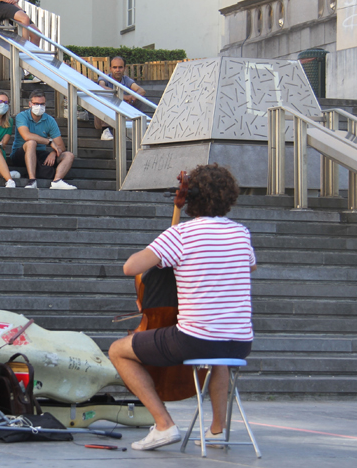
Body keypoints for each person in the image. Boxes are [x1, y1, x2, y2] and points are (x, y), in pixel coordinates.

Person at [109, 164, 256, 451]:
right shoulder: (241, 234)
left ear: (192, 198)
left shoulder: (182, 235)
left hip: (194, 340)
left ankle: (163, 425)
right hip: (239, 343)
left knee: (118, 350)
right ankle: (216, 430)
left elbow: (131, 267)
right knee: (218, 358)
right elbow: (249, 264)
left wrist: (166, 252)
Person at [9, 90, 76, 189]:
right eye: (36, 104)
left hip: (40, 154)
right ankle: (32, 180)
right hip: (20, 153)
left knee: (69, 155)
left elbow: (61, 146)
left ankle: (57, 181)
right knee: (31, 143)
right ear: (30, 104)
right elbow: (26, 136)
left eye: (42, 104)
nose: (39, 107)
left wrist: (53, 153)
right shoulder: (22, 116)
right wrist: (49, 142)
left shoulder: (50, 120)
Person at [96, 56, 146, 140]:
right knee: (104, 96)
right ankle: (106, 130)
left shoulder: (126, 80)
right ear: (110, 69)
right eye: (115, 67)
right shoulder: (105, 78)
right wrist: (123, 97)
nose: (117, 70)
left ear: (125, 68)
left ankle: (136, 126)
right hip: (104, 119)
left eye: (120, 67)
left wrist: (132, 98)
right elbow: (101, 87)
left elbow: (141, 90)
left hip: (121, 114)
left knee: (140, 99)